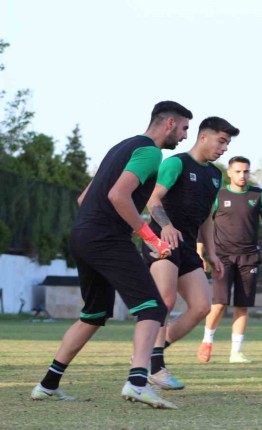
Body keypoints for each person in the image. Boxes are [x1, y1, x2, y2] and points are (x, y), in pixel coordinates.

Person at [30, 101, 193, 409]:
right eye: (184, 128)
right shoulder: (150, 152)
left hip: (82, 235)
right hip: (106, 238)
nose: (185, 136)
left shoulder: (120, 147)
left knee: (94, 314)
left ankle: (47, 385)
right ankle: (137, 382)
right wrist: (151, 238)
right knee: (153, 308)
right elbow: (118, 195)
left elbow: (84, 198)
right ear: (170, 124)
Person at [142, 117, 239, 390]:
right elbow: (152, 198)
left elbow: (207, 217)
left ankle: (149, 354)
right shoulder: (176, 163)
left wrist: (212, 253)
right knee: (165, 300)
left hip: (186, 246)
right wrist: (166, 226)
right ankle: (156, 367)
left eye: (227, 144)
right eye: (221, 141)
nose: (224, 148)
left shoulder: (215, 175)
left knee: (201, 307)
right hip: (161, 240)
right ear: (204, 137)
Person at [196, 155, 262, 363]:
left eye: (246, 171)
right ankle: (207, 341)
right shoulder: (219, 195)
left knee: (242, 305)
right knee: (220, 303)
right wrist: (199, 251)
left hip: (249, 257)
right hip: (222, 257)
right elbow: (204, 224)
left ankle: (236, 352)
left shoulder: (259, 195)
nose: (242, 175)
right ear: (229, 173)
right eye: (238, 171)